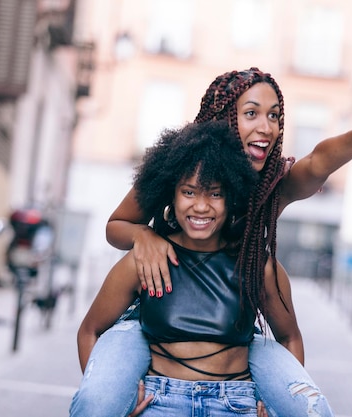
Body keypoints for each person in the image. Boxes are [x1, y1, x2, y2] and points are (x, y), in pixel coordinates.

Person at [72, 67, 352, 416]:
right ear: (223, 119)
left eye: (274, 115)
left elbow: (318, 163)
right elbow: (116, 226)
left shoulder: (271, 186)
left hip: (235, 326)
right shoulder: (176, 165)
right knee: (98, 401)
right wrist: (144, 236)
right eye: (252, 113)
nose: (267, 127)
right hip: (158, 316)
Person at [75, 120, 301, 416]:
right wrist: (113, 400)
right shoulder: (144, 259)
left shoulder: (258, 266)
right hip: (158, 403)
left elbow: (289, 338)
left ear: (231, 197)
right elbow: (90, 331)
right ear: (172, 194)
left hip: (236, 405)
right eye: (189, 192)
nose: (201, 207)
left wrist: (280, 404)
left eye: (215, 194)